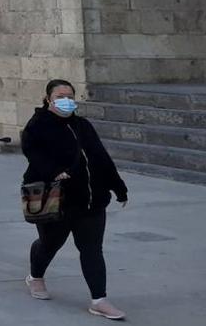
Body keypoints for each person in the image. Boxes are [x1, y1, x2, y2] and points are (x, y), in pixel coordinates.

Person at [22, 79, 128, 320]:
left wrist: (118, 186)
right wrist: (52, 171)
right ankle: (35, 277)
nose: (67, 100)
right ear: (49, 98)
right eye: (61, 95)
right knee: (50, 244)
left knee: (92, 250)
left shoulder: (83, 125)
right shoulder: (38, 125)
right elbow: (32, 152)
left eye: (70, 95)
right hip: (56, 198)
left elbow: (100, 157)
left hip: (91, 200)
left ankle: (99, 300)